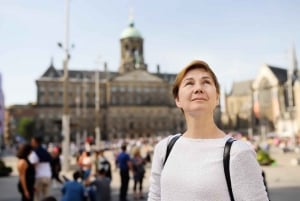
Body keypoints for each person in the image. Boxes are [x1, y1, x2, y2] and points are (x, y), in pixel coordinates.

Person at [147, 60, 269, 201]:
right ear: (177, 100)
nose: (198, 88)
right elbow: (155, 197)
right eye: (189, 83)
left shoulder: (238, 153)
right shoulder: (164, 149)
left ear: (217, 98)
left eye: (206, 82)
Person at [28, 136, 52, 201]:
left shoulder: (34, 153)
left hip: (39, 177)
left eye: (32, 142)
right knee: (47, 197)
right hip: (48, 176)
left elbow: (33, 165)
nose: (31, 143)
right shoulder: (46, 151)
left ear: (36, 142)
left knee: (37, 197)